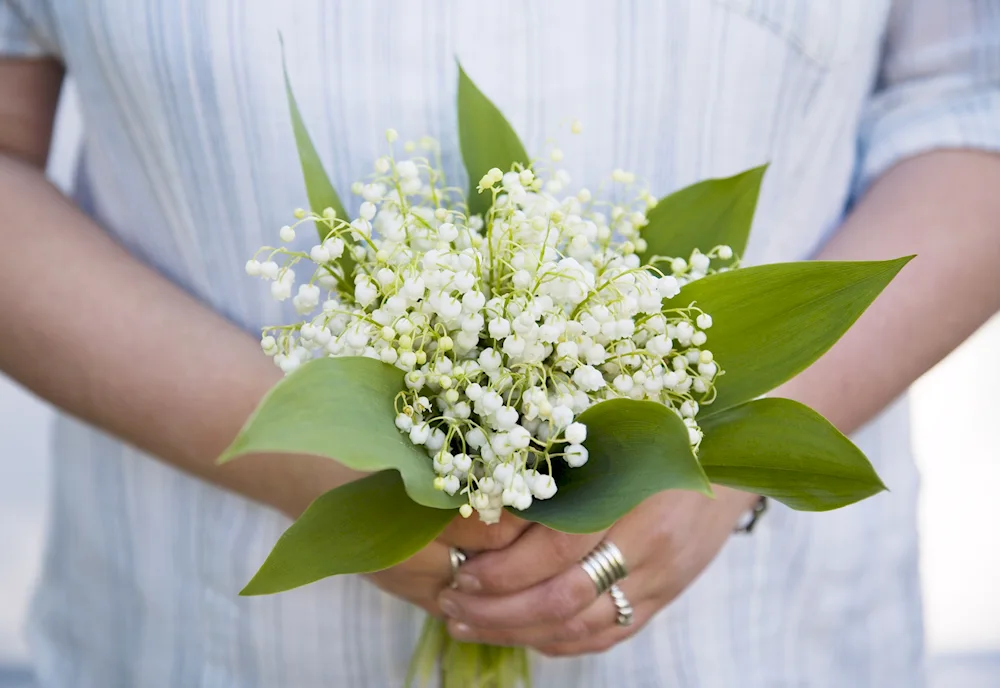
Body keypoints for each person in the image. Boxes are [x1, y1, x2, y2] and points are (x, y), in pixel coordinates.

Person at [1, 1, 998, 686]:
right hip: (190, 633)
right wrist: (319, 460)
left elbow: (970, 107)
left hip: (763, 639)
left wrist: (708, 471)